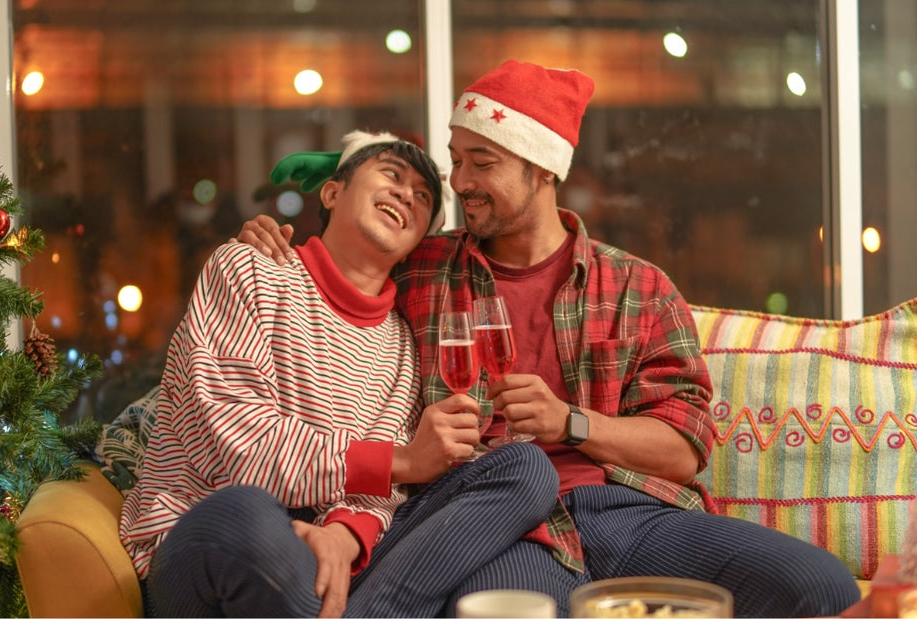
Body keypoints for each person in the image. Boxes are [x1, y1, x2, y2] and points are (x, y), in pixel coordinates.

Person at [236, 60, 862, 617]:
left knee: (820, 585)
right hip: (498, 525)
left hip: (626, 513)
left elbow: (684, 448)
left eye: (483, 163)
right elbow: (337, 271)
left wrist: (572, 423)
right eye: (457, 160)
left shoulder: (637, 288)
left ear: (542, 169)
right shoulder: (422, 266)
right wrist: (271, 244)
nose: (460, 182)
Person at [119, 129, 560, 618]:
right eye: (391, 175)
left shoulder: (401, 343)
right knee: (249, 516)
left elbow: (381, 493)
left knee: (524, 468)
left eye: (423, 198)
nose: (405, 195)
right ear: (332, 191)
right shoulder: (249, 269)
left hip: (338, 560)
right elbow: (238, 445)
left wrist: (345, 534)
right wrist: (402, 462)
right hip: (218, 536)